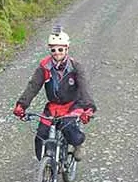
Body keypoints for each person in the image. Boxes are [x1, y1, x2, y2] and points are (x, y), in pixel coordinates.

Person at [13, 25, 96, 160]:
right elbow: (33, 86)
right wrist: (22, 105)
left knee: (68, 128)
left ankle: (78, 145)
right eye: (53, 49)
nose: (57, 52)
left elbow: (84, 88)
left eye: (60, 49)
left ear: (66, 49)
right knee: (41, 134)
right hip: (53, 106)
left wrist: (89, 108)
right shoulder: (45, 66)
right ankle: (45, 166)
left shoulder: (75, 67)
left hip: (73, 104)